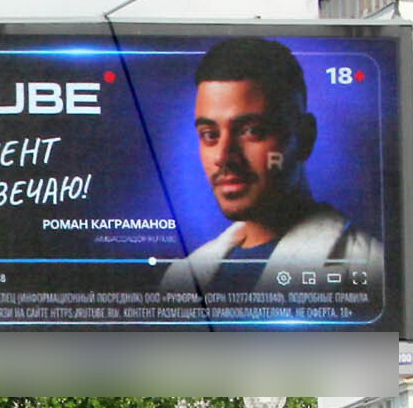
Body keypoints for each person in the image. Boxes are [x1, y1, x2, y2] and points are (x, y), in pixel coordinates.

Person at [160, 35, 384, 295]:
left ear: (305, 137)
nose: (224, 156)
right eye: (210, 135)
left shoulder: (370, 268)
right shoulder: (181, 278)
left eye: (252, 131)